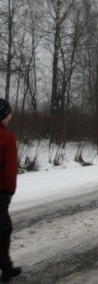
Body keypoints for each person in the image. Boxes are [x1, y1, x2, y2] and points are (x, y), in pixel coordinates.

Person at [0, 98, 22, 282]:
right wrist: (10, 192)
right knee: (3, 229)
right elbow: (9, 170)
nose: (11, 116)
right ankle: (6, 268)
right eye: (9, 113)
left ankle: (6, 266)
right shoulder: (7, 138)